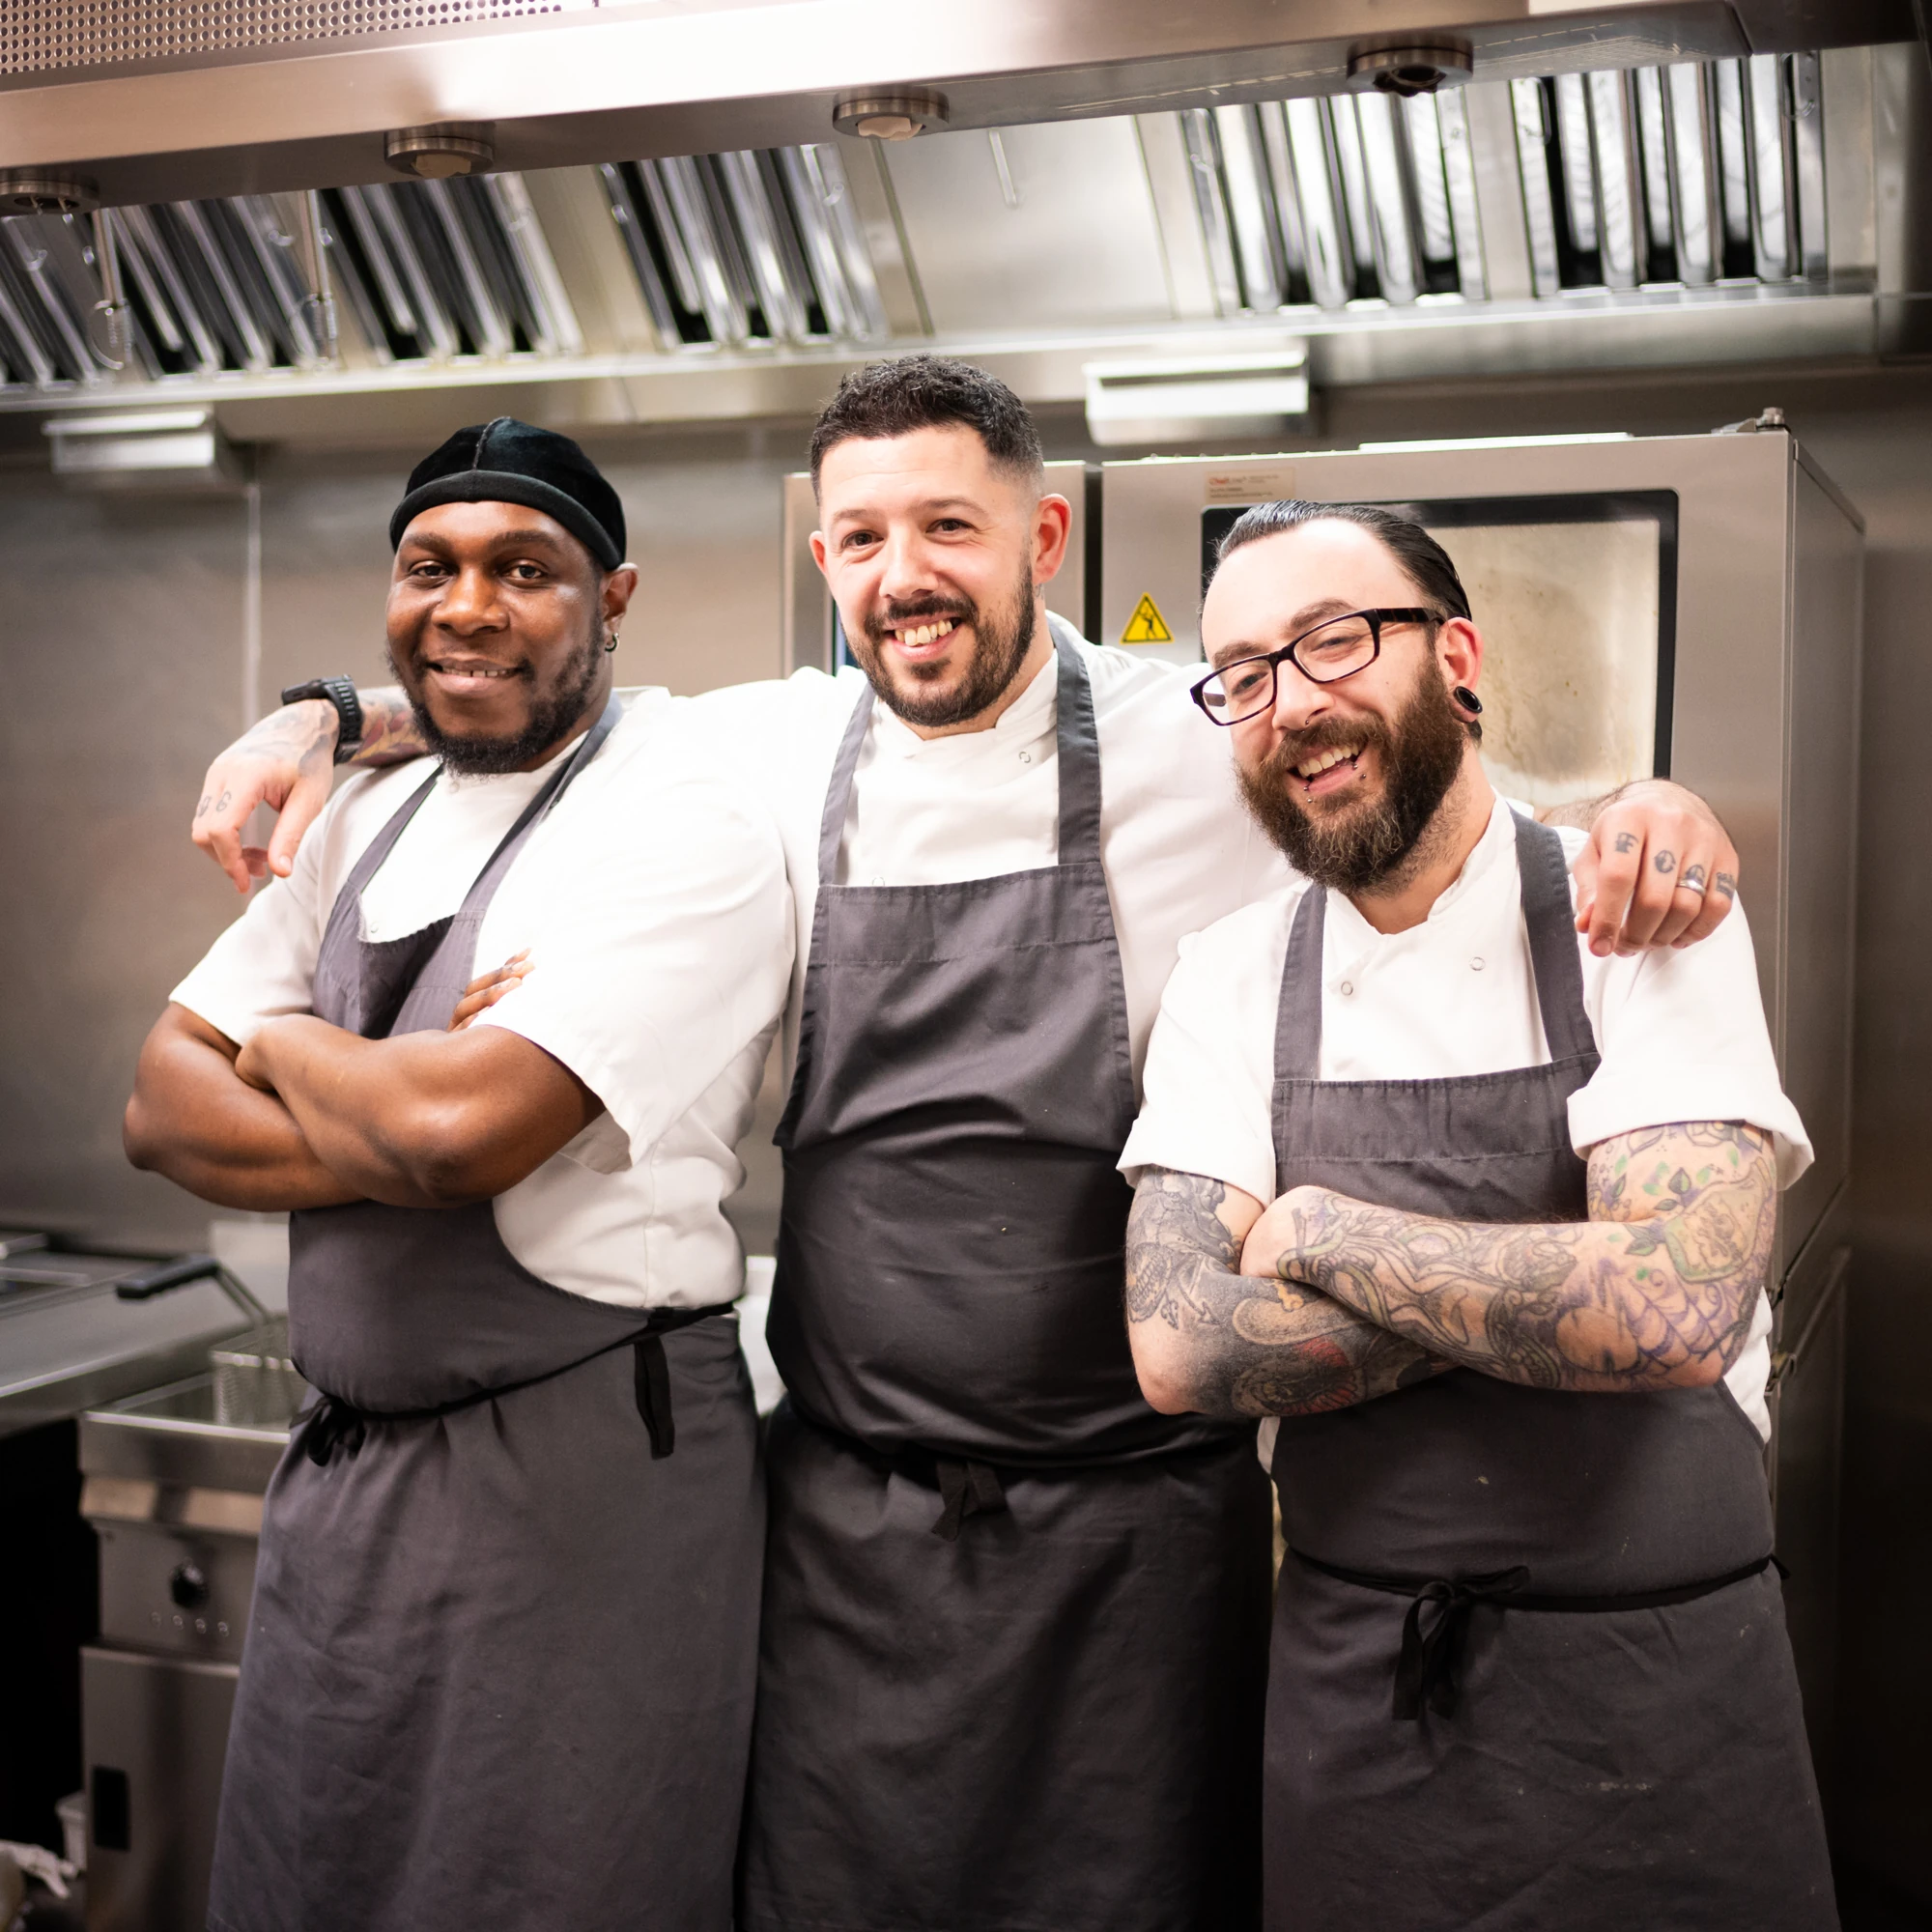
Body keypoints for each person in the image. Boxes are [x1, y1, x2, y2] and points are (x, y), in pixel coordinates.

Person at [185, 363, 1743, 1932]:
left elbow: (1407, 786)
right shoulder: (760, 755)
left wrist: (1641, 807)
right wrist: (323, 714)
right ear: (822, 565)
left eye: (950, 526)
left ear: (1043, 535)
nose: (904, 575)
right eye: (860, 537)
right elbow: (530, 684)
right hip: (845, 1529)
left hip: (1140, 1532)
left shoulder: (1191, 729)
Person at [1119, 498, 1835, 1931]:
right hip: (1366, 1703)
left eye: (1335, 642)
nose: (1293, 705)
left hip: (1665, 1696)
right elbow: (1185, 1348)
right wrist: (1574, 1295)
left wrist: (1318, 1231)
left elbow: (1677, 1309)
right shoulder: (1231, 974)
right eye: (1246, 676)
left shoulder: (1642, 915)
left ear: (1454, 653)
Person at [125, 419, 790, 1932]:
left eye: (525, 570)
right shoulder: (361, 806)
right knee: (310, 1886)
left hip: (575, 1493)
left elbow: (454, 1143)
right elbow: (159, 1110)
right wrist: (389, 1085)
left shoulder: (683, 815)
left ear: (612, 600)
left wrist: (281, 1042)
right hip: (347, 1486)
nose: (470, 606)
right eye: (432, 566)